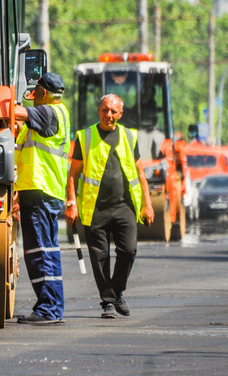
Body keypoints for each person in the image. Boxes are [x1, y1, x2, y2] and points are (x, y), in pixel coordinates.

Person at [65, 94, 154, 319]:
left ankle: (116, 291)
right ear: (99, 111)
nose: (109, 115)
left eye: (114, 111)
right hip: (96, 208)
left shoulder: (128, 136)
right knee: (99, 256)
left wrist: (148, 204)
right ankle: (108, 302)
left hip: (125, 206)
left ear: (120, 114)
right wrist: (71, 203)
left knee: (129, 250)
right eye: (105, 110)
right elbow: (73, 173)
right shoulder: (85, 137)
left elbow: (140, 173)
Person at [11, 72, 70, 325]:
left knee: (39, 252)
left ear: (44, 93)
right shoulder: (53, 116)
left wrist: (1, 101)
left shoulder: (49, 112)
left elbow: (20, 113)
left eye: (36, 93)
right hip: (41, 191)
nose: (33, 97)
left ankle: (49, 309)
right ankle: (52, 307)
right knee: (47, 251)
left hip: (41, 191)